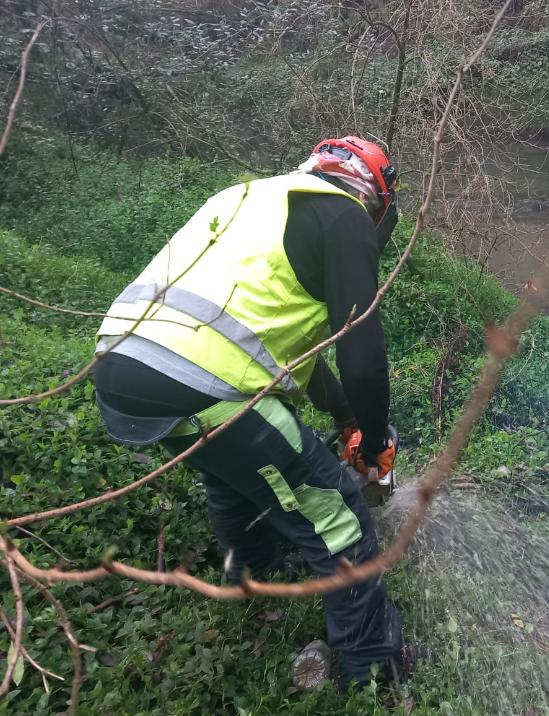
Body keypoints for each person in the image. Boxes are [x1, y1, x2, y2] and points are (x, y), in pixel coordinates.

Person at [92, 136, 403, 688]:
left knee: (230, 473)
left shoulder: (245, 198)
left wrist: (344, 418)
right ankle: (371, 669)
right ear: (373, 198)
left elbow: (267, 346)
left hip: (122, 364)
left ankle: (252, 578)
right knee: (339, 512)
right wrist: (375, 439)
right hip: (204, 381)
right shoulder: (346, 215)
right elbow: (362, 356)